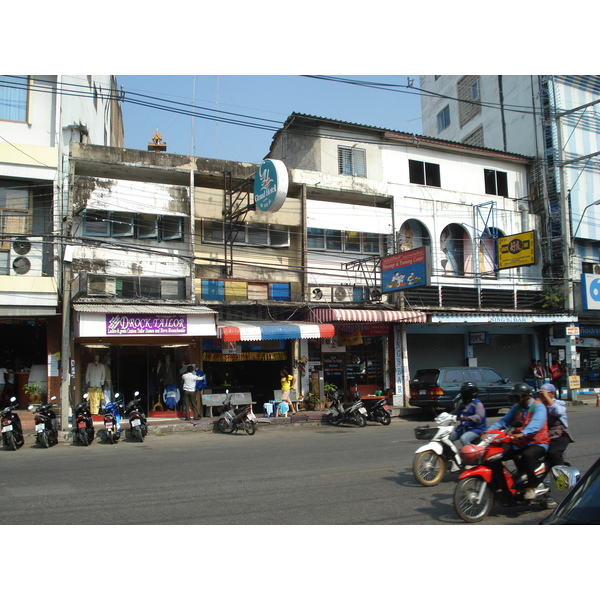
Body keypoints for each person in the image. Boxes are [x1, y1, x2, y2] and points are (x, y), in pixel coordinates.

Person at [484, 382, 549, 500]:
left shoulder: (538, 407)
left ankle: (531, 485)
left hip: (537, 443)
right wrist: (488, 431)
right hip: (519, 443)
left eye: (517, 397)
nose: (515, 400)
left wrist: (523, 433)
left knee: (526, 455)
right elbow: (503, 422)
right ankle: (504, 489)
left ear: (526, 396)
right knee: (495, 457)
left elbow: (536, 424)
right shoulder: (516, 408)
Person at [538, 383, 574, 467]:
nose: (542, 396)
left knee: (553, 453)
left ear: (552, 394)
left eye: (544, 394)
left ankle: (561, 475)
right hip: (544, 435)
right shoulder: (539, 406)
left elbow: (559, 412)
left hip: (559, 435)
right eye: (540, 394)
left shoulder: (559, 404)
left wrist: (548, 398)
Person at [449, 382, 487, 447]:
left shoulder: (477, 403)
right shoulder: (463, 403)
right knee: (448, 438)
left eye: (464, 393)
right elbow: (456, 412)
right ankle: (452, 455)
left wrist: (468, 418)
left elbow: (479, 416)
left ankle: (469, 455)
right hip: (464, 427)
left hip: (477, 429)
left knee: (464, 438)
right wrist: (447, 416)